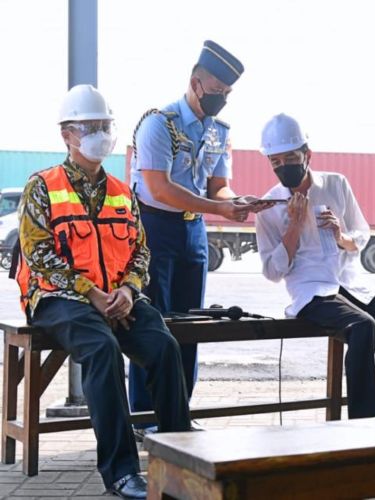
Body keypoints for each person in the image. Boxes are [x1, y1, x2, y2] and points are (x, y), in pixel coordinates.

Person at [15, 84, 190, 499]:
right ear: (68, 136)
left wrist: (129, 290)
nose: (101, 134)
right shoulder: (42, 186)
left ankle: (181, 460)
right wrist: (91, 293)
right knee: (102, 349)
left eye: (105, 125)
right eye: (90, 126)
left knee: (164, 348)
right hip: (58, 298)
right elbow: (38, 254)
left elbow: (140, 249)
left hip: (118, 298)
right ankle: (121, 472)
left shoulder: (120, 191)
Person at [254, 113, 375, 419]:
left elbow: (361, 236)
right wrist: (294, 228)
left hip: (350, 281)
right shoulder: (269, 207)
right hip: (311, 292)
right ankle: (366, 426)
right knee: (363, 327)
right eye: (275, 161)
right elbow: (273, 272)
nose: (282, 166)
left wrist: (341, 236)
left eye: (290, 157)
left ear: (307, 155)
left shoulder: (336, 184)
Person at [127, 40, 262, 438]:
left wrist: (234, 202)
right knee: (153, 322)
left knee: (192, 323)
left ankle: (178, 413)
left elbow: (217, 186)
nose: (222, 99)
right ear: (196, 83)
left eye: (227, 94)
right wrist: (216, 207)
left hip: (193, 232)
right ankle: (146, 416)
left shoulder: (219, 131)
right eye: (217, 91)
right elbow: (159, 188)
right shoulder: (159, 123)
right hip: (155, 229)